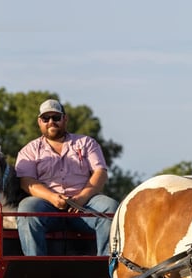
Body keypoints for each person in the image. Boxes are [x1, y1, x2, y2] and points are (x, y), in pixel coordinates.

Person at [15, 99, 118, 256]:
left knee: (110, 208)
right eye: (46, 118)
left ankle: (106, 270)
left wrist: (82, 197)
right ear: (39, 121)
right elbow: (26, 181)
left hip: (85, 204)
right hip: (47, 205)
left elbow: (100, 173)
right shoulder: (29, 150)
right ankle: (36, 269)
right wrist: (52, 197)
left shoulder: (86, 143)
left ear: (65, 119)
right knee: (27, 209)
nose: (51, 122)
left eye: (56, 117)